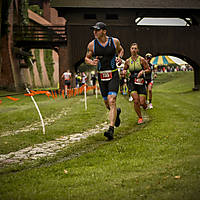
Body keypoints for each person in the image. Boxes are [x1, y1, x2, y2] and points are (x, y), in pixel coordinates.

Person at [85, 22, 124, 140]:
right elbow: (86, 58)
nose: (94, 32)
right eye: (94, 30)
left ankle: (111, 130)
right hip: (101, 77)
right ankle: (116, 113)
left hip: (113, 75)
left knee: (112, 100)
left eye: (97, 30)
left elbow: (121, 50)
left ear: (104, 31)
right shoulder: (92, 45)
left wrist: (119, 58)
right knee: (108, 104)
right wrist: (91, 62)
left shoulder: (114, 42)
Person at [123, 43, 150, 125]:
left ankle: (145, 105)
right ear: (130, 50)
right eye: (132, 48)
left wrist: (143, 71)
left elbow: (148, 69)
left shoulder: (141, 60)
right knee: (136, 101)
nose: (134, 50)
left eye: (135, 48)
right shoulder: (127, 61)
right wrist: (124, 72)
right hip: (132, 83)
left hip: (141, 82)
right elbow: (124, 70)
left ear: (137, 50)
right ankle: (140, 117)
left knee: (142, 103)